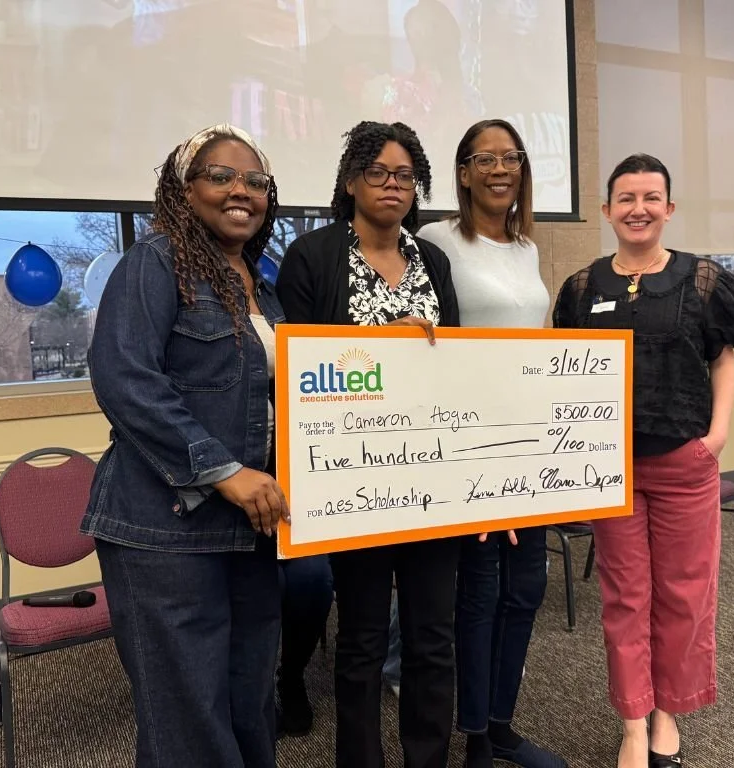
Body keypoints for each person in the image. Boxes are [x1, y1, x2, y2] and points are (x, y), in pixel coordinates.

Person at [81, 124, 289, 768]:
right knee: (187, 716)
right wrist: (223, 471)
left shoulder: (264, 288)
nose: (241, 191)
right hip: (164, 532)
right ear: (183, 188)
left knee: (250, 699)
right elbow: (124, 378)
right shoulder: (156, 261)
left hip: (252, 530)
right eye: (220, 175)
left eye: (256, 181)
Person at [552, 154, 734, 768]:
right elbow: (562, 373)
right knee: (624, 597)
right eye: (626, 198)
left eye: (650, 197)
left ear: (668, 208)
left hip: (684, 461)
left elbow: (724, 355)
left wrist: (717, 436)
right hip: (608, 469)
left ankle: (668, 710)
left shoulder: (701, 279)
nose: (638, 208)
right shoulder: (583, 287)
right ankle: (633, 724)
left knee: (684, 594)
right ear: (607, 211)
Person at [276, 120, 461, 768]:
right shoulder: (314, 258)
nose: (393, 184)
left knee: (432, 640)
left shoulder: (432, 261)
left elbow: (457, 367)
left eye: (405, 174)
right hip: (353, 482)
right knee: (358, 639)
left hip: (430, 478)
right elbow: (295, 373)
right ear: (351, 181)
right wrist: (385, 347)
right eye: (379, 172)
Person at [417, 119, 567, 768]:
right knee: (478, 592)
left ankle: (503, 726)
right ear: (463, 172)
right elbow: (428, 346)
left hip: (528, 444)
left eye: (512, 158)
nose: (500, 169)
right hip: (469, 446)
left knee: (525, 587)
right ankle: (475, 737)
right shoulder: (435, 240)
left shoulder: (527, 249)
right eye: (486, 158)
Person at [276, 555, 333, 737]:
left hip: (297, 534)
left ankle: (291, 676)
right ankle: (256, 687)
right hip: (243, 540)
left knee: (315, 577)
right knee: (262, 582)